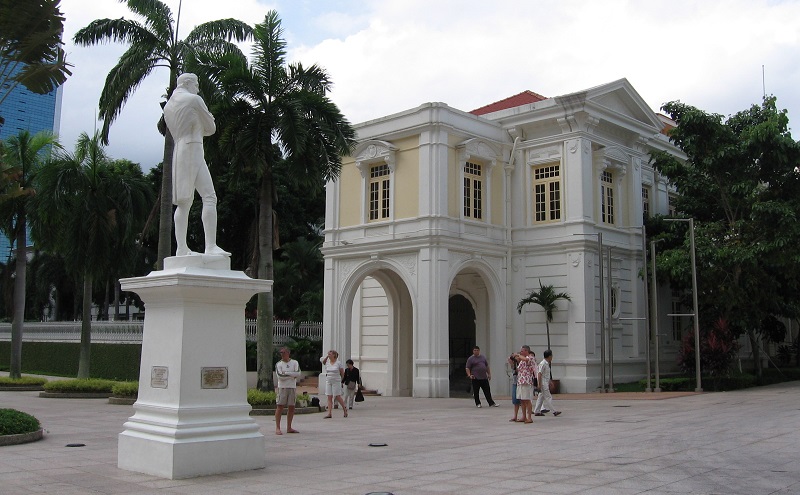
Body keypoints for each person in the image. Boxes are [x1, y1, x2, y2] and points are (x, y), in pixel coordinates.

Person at [162, 72, 229, 257]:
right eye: (196, 84)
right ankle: (210, 246)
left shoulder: (168, 107)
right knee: (209, 197)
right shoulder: (194, 100)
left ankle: (181, 248)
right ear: (188, 83)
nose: (198, 88)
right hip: (194, 148)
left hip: (179, 151)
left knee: (183, 203)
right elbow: (211, 127)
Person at [274, 347, 302, 435]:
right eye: (281, 353)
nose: (282, 354)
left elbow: (298, 373)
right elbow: (280, 376)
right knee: (280, 406)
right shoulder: (279, 364)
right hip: (282, 387)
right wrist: (291, 375)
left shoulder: (294, 362)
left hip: (292, 387)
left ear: (288, 353)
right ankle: (277, 427)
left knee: (291, 407)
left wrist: (286, 373)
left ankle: (289, 427)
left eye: (284, 352)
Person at [511, 345, 535, 423]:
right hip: (520, 381)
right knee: (522, 400)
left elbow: (526, 359)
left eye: (522, 351)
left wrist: (518, 355)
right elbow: (517, 370)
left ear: (526, 351)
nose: (521, 353)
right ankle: (524, 416)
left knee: (527, 399)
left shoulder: (530, 357)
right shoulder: (521, 361)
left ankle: (529, 417)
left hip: (526, 381)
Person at [320, 350, 347, 418]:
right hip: (328, 380)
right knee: (329, 396)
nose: (329, 355)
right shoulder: (328, 362)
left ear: (334, 355)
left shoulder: (338, 363)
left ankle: (344, 409)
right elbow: (323, 362)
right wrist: (326, 357)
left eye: (330, 354)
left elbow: (342, 373)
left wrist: (342, 381)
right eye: (328, 354)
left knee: (337, 396)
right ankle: (329, 413)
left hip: (336, 380)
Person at [534, 349, 561, 417]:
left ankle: (537, 411)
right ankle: (554, 411)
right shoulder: (543, 363)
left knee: (541, 397)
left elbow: (546, 375)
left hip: (545, 382)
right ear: (549, 356)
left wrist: (550, 382)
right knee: (548, 397)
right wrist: (539, 384)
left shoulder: (546, 363)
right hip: (543, 383)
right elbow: (539, 374)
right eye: (551, 356)